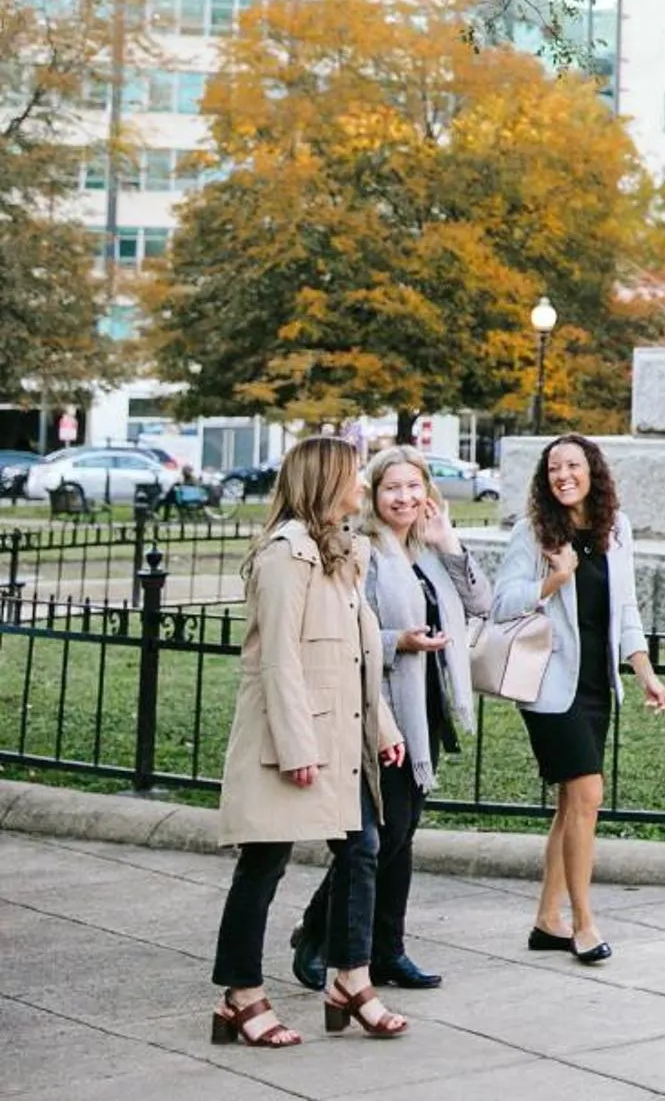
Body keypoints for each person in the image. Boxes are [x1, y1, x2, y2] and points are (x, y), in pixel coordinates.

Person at [206, 435, 410, 1048]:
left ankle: (351, 977)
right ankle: (240, 994)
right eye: (355, 477)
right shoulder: (284, 555)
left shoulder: (345, 554)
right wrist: (297, 749)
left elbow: (355, 657)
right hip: (293, 742)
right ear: (325, 482)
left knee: (362, 849)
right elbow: (278, 662)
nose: (364, 488)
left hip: (342, 739)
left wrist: (384, 729)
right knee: (264, 863)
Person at [290, 447, 489, 990]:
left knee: (403, 836)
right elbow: (345, 631)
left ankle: (387, 949)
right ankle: (318, 932)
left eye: (413, 486)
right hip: (381, 705)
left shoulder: (429, 551)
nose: (404, 497)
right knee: (385, 835)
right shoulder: (366, 553)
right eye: (391, 488)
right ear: (375, 497)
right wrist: (398, 641)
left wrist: (450, 543)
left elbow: (482, 603)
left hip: (427, 705)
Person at [492, 434, 665, 964]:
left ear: (593, 470)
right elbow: (501, 604)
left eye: (572, 465)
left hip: (596, 686)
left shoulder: (618, 530)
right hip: (550, 688)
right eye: (552, 469)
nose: (563, 475)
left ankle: (547, 921)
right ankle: (584, 923)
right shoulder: (533, 533)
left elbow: (627, 610)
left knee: (571, 804)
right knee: (588, 795)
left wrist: (645, 673)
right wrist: (555, 578)